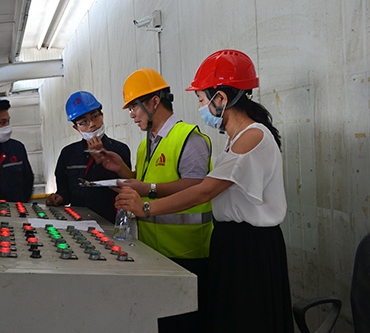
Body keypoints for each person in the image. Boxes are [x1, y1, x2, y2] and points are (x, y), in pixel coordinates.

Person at [115, 50, 294, 333]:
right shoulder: (236, 139)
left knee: (248, 320)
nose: (200, 106)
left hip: (250, 247)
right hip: (231, 242)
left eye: (201, 99)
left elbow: (203, 191)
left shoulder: (254, 136)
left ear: (220, 99)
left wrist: (146, 207)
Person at [100, 68, 213, 332]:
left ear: (153, 102)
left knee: (184, 324)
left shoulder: (188, 138)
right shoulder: (146, 144)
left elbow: (197, 185)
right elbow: (147, 184)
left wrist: (146, 188)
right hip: (154, 252)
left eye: (134, 107)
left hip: (187, 253)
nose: (131, 114)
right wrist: (122, 172)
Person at [45, 91, 131, 223]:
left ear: (102, 115)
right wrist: (60, 197)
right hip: (78, 221)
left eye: (95, 116)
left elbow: (125, 186)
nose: (91, 124)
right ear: (76, 127)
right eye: (83, 122)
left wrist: (100, 161)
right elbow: (65, 190)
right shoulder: (68, 154)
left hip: (111, 221)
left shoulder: (119, 149)